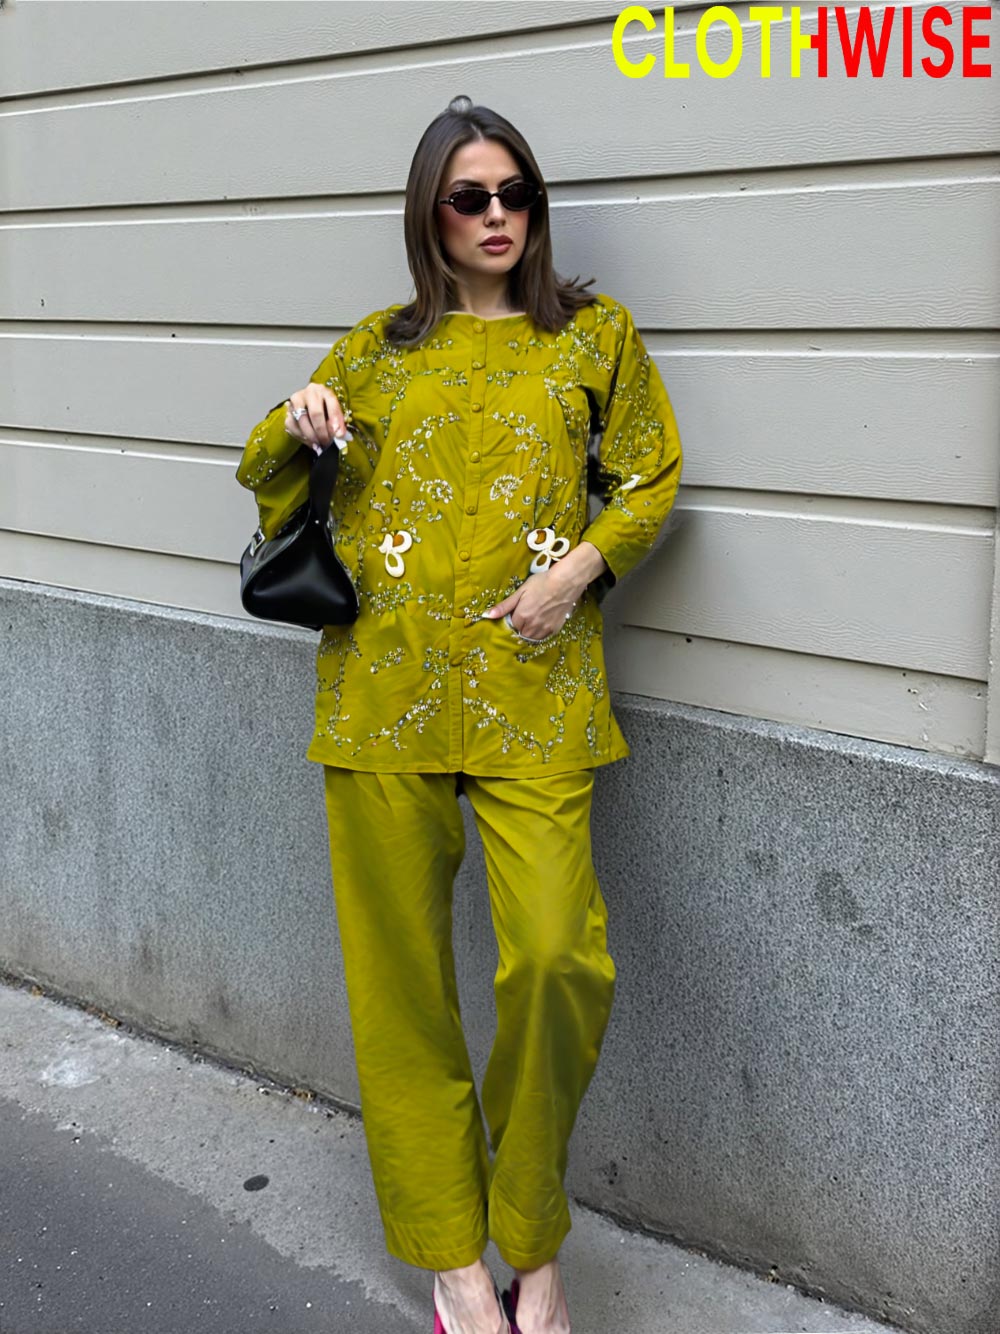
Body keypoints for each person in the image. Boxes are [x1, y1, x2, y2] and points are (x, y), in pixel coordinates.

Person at [236, 95, 682, 1334]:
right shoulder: (375, 346)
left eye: (515, 194)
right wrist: (299, 414)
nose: (498, 217)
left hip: (537, 700)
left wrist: (580, 569)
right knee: (402, 990)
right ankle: (449, 1253)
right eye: (470, 197)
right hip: (381, 693)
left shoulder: (592, 337)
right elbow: (263, 469)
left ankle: (532, 1236)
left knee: (555, 958)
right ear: (428, 212)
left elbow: (649, 477)